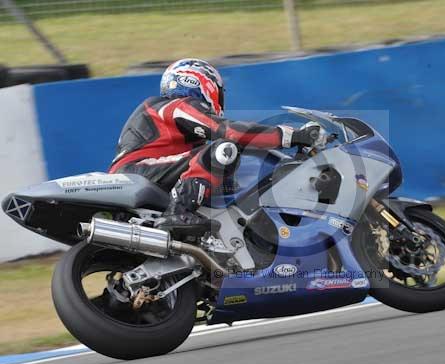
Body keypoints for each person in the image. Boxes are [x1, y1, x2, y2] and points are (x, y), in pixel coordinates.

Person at [109, 58, 320, 233]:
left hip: (147, 171)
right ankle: (179, 212)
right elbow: (232, 132)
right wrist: (291, 135)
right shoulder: (177, 105)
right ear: (201, 83)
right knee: (223, 149)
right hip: (137, 171)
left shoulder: (170, 117)